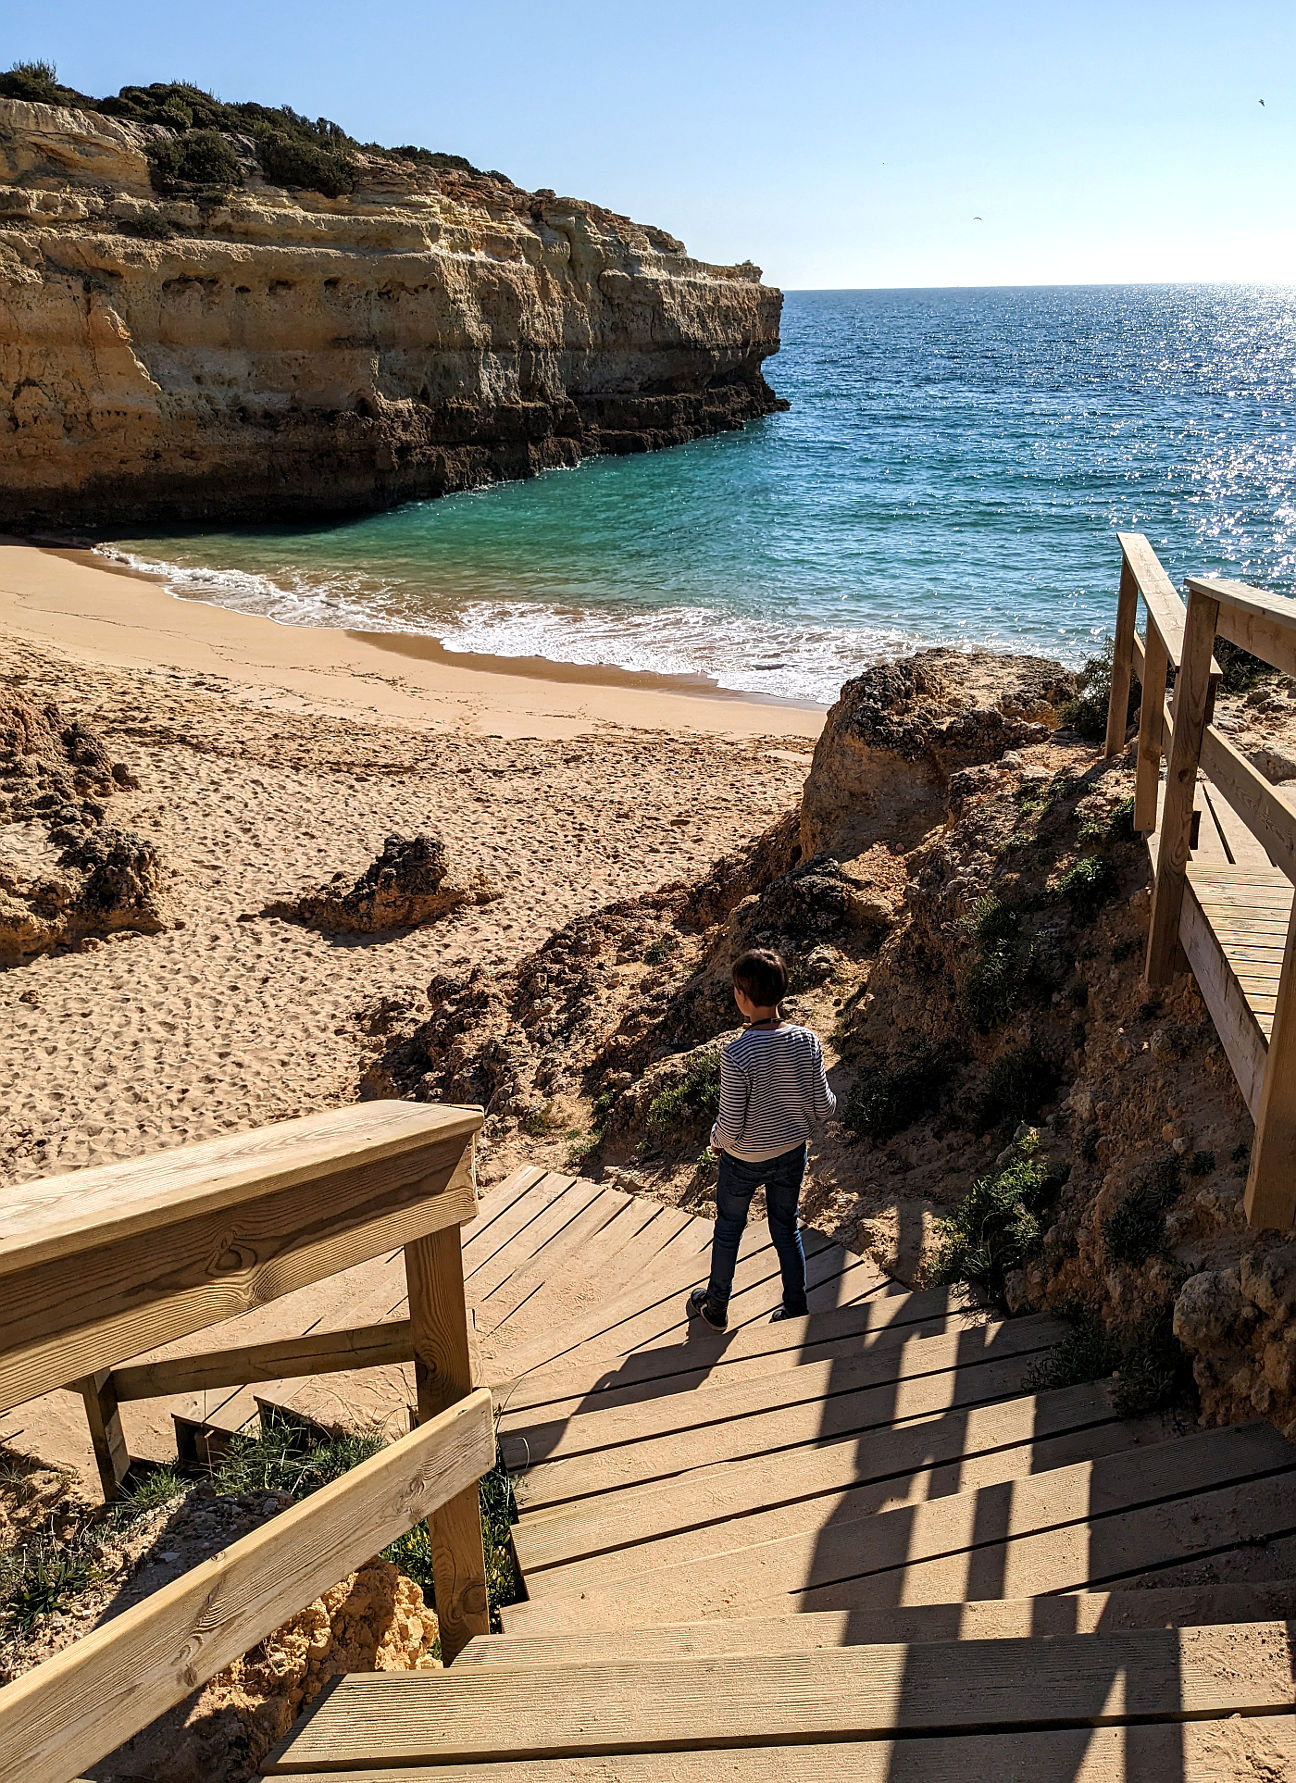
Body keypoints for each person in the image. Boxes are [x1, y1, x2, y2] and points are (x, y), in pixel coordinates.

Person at [687, 947, 837, 1331]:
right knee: (786, 1227)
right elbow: (824, 1107)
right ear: (782, 991)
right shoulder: (806, 1040)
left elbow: (732, 1123)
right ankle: (795, 1305)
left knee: (728, 1229)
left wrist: (716, 1141)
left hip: (743, 1161)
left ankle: (717, 1305)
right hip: (791, 1152)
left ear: (741, 996)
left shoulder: (737, 1053)